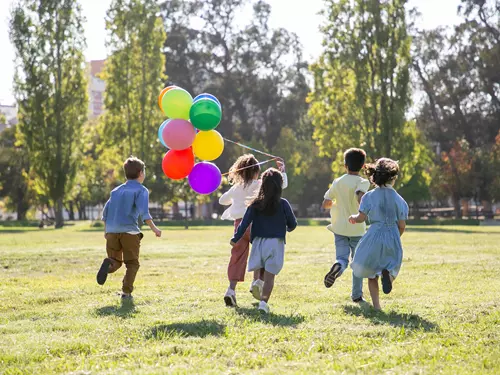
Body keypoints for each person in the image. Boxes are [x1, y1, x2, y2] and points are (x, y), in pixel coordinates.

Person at [219, 154, 287, 307]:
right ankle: (257, 282)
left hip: (239, 226)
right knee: (261, 255)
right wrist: (282, 170)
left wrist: (235, 196)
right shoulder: (259, 184)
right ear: (256, 172)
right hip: (257, 225)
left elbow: (222, 200)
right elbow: (281, 185)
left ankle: (231, 290)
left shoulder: (236, 188)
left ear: (240, 172)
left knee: (237, 257)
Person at [230, 168, 297, 313]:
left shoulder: (255, 204)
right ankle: (263, 303)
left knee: (260, 267)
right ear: (279, 185)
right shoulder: (283, 203)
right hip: (276, 243)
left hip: (258, 242)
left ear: (262, 184)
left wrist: (236, 238)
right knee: (270, 276)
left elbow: (244, 223)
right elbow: (293, 223)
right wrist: (288, 228)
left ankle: (257, 282)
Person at [96, 157, 162, 299]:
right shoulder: (141, 190)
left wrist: (106, 231)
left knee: (116, 261)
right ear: (140, 173)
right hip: (129, 232)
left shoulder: (116, 191)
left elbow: (105, 212)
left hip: (112, 232)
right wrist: (155, 229)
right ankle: (126, 293)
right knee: (132, 263)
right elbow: (144, 213)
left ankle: (108, 265)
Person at [348, 158, 409, 310]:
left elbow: (361, 218)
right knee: (391, 266)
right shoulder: (400, 200)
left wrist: (353, 218)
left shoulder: (368, 196)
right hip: (392, 235)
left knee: (371, 273)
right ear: (393, 178)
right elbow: (402, 225)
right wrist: (395, 236)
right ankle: (388, 276)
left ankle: (377, 307)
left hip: (373, 235)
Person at [322, 148, 370, 302]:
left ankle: (338, 266)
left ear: (345, 165)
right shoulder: (363, 182)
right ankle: (357, 295)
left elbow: (325, 204)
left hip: (339, 228)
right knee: (358, 263)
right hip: (357, 227)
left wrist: (336, 204)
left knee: (342, 258)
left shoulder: (338, 181)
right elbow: (360, 198)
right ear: (363, 166)